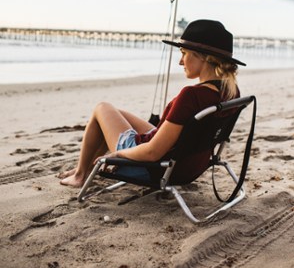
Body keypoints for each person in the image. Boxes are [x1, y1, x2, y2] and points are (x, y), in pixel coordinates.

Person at [58, 19, 246, 188]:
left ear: (203, 57)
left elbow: (152, 153)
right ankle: (82, 169)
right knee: (117, 113)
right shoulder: (230, 91)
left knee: (102, 108)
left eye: (184, 53)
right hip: (189, 166)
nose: (181, 62)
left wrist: (118, 155)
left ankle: (80, 175)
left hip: (154, 168)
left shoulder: (192, 96)